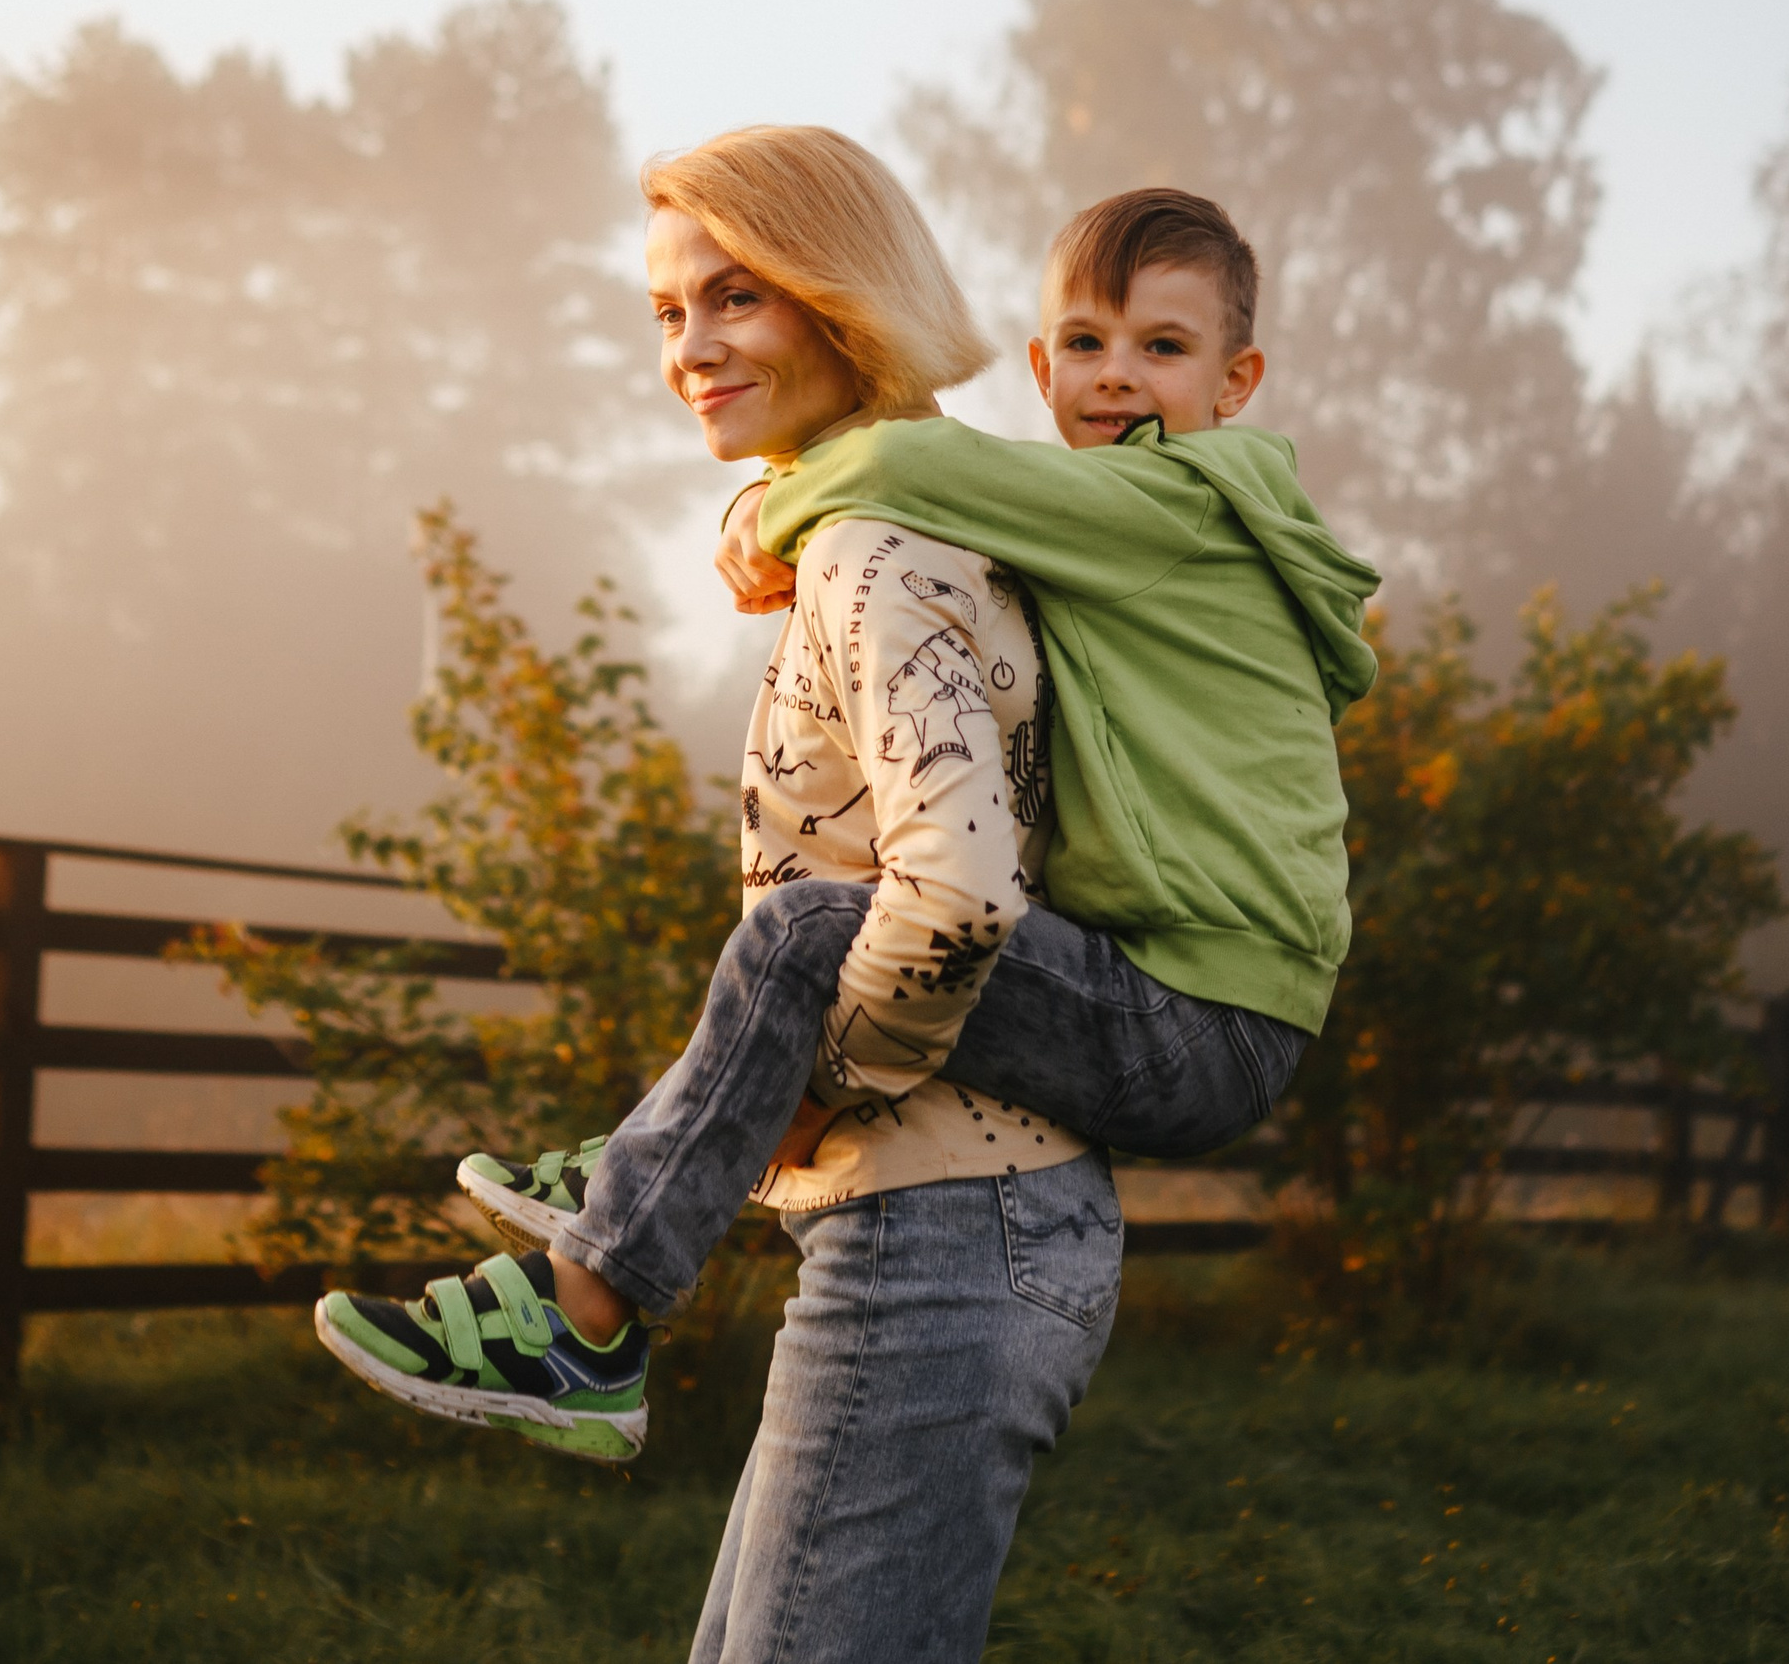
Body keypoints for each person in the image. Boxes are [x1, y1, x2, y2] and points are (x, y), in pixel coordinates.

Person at [317, 135, 1373, 1660]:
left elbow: (958, 887)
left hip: (1050, 1137)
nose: (1116, 376)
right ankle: (636, 1184)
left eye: (735, 294)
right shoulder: (1063, 539)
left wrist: (810, 1094)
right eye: (1085, 343)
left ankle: (592, 1289)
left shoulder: (1082, 515)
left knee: (810, 933)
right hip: (1067, 1105)